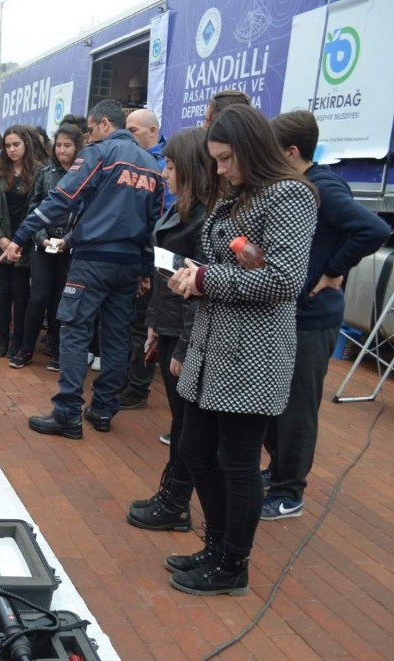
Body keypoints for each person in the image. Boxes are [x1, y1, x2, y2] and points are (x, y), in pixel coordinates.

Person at [164, 104, 318, 596]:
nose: (222, 169)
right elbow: (233, 264)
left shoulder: (290, 195)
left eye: (228, 159)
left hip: (251, 353)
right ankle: (217, 546)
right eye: (217, 161)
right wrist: (193, 277)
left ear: (252, 149)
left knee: (237, 458)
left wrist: (206, 278)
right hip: (213, 345)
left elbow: (284, 279)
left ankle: (233, 562)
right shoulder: (239, 195)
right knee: (192, 447)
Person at [3, 99, 162, 439]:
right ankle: (103, 410)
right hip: (129, 263)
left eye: (90, 130)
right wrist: (145, 270)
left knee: (75, 330)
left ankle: (67, 414)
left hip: (92, 260)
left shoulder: (99, 153)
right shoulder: (152, 164)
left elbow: (61, 198)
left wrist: (21, 236)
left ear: (104, 123)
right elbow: (153, 223)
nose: (88, 136)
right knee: (116, 336)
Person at [259, 111, 391, 520]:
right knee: (277, 405)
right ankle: (277, 472)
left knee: (297, 408)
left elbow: (374, 230)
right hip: (292, 314)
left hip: (313, 318)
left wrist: (333, 270)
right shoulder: (299, 186)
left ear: (292, 152)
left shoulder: (323, 188)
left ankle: (289, 492)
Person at [126, 127, 211, 533]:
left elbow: (198, 292)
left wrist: (184, 349)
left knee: (186, 427)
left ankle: (177, 501)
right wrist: (155, 328)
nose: (164, 171)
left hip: (186, 333)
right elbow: (166, 277)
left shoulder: (205, 218)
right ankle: (172, 495)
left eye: (172, 165)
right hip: (168, 324)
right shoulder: (183, 209)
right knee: (181, 424)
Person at [10, 122, 83, 370]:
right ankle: (26, 349)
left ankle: (56, 350)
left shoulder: (85, 174)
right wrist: (41, 239)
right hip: (43, 245)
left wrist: (68, 240)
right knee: (38, 296)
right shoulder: (46, 173)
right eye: (58, 145)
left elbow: (86, 215)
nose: (62, 150)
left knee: (60, 299)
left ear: (78, 147)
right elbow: (34, 210)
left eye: (67, 145)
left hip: (69, 246)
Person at [118, 108, 174, 410]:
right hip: (138, 251)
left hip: (155, 256)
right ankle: (131, 379)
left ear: (152, 130)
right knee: (133, 320)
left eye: (134, 130)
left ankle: (138, 386)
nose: (129, 135)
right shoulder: (133, 159)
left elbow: (163, 216)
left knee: (144, 322)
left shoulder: (163, 164)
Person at [0, 126, 41, 358]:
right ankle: (3, 338)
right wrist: (1, 238)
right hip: (0, 242)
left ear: (26, 144)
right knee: (3, 292)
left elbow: (40, 210)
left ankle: (19, 341)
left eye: (16, 144)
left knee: (21, 292)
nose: (12, 149)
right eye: (8, 145)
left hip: (25, 242)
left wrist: (19, 240)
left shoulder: (39, 171)